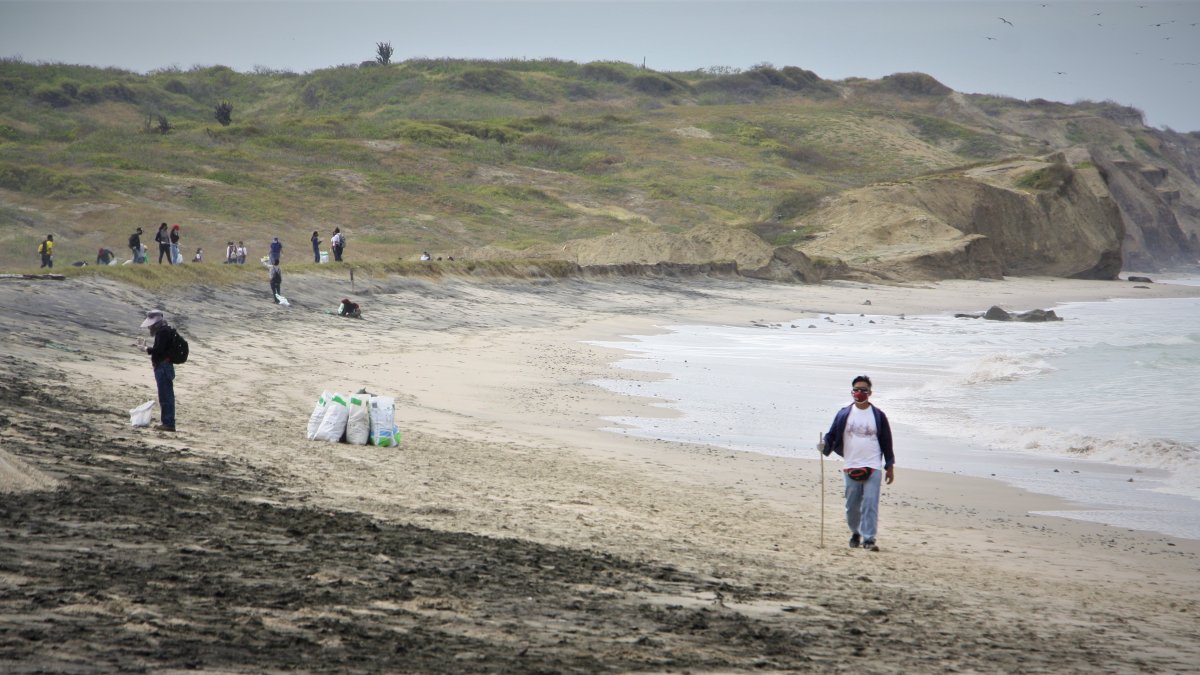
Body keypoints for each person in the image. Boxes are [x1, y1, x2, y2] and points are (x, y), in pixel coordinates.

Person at [821, 375, 895, 552]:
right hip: (850, 465)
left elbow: (886, 441)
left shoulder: (878, 416)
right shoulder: (843, 414)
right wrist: (824, 446)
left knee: (870, 503)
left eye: (863, 390)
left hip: (873, 465)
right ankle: (855, 532)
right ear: (852, 392)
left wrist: (889, 466)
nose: (859, 393)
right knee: (852, 505)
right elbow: (831, 435)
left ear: (870, 393)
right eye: (856, 389)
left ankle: (869, 538)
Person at [139, 310, 177, 432]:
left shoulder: (162, 332)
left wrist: (146, 348)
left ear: (155, 324)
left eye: (150, 325)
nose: (149, 327)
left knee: (165, 396)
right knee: (166, 395)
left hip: (163, 367)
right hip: (165, 366)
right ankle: (168, 422)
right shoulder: (166, 330)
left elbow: (159, 351)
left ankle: (168, 423)